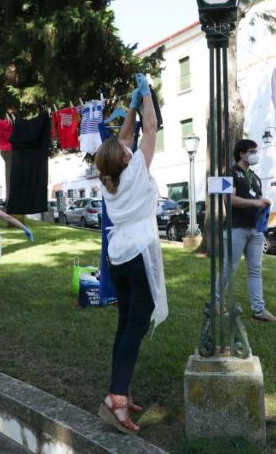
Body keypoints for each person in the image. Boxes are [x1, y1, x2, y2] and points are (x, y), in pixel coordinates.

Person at [94, 73, 166, 435]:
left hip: (118, 256)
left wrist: (132, 109)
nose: (129, 147)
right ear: (125, 159)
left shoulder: (108, 178)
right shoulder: (136, 170)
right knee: (135, 327)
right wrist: (147, 94)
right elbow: (151, 129)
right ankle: (116, 399)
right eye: (126, 150)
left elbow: (125, 138)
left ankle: (120, 388)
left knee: (125, 325)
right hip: (138, 254)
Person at [218, 139, 276, 322]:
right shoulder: (228, 174)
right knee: (228, 268)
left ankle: (259, 310)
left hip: (255, 230)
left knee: (255, 270)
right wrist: (255, 202)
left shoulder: (254, 177)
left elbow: (258, 198)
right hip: (235, 228)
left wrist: (263, 202)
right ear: (242, 154)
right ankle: (216, 303)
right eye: (253, 151)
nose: (256, 155)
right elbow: (229, 200)